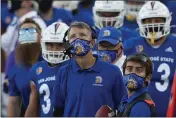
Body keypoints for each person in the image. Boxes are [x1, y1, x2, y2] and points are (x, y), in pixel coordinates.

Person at [52, 21, 126, 117]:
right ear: (68, 44)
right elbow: (58, 110)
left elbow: (122, 108)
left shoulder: (113, 72)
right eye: (73, 36)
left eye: (82, 35)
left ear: (92, 43)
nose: (77, 39)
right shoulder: (63, 72)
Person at [123, 1, 176, 116]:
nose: (153, 24)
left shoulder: (174, 44)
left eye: (157, 20)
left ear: (166, 21)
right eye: (148, 21)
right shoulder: (131, 45)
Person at [24, 22, 70, 117]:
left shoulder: (76, 67)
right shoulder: (37, 69)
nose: (54, 49)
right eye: (50, 44)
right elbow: (33, 106)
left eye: (59, 44)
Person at [7, 18, 42, 117]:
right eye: (23, 32)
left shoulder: (51, 60)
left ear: (40, 35)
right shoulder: (15, 68)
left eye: (31, 31)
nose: (27, 34)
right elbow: (14, 102)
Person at [115, 52, 156, 117]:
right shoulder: (126, 98)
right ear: (124, 74)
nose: (132, 74)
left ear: (147, 78)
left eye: (139, 70)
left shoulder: (141, 107)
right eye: (129, 69)